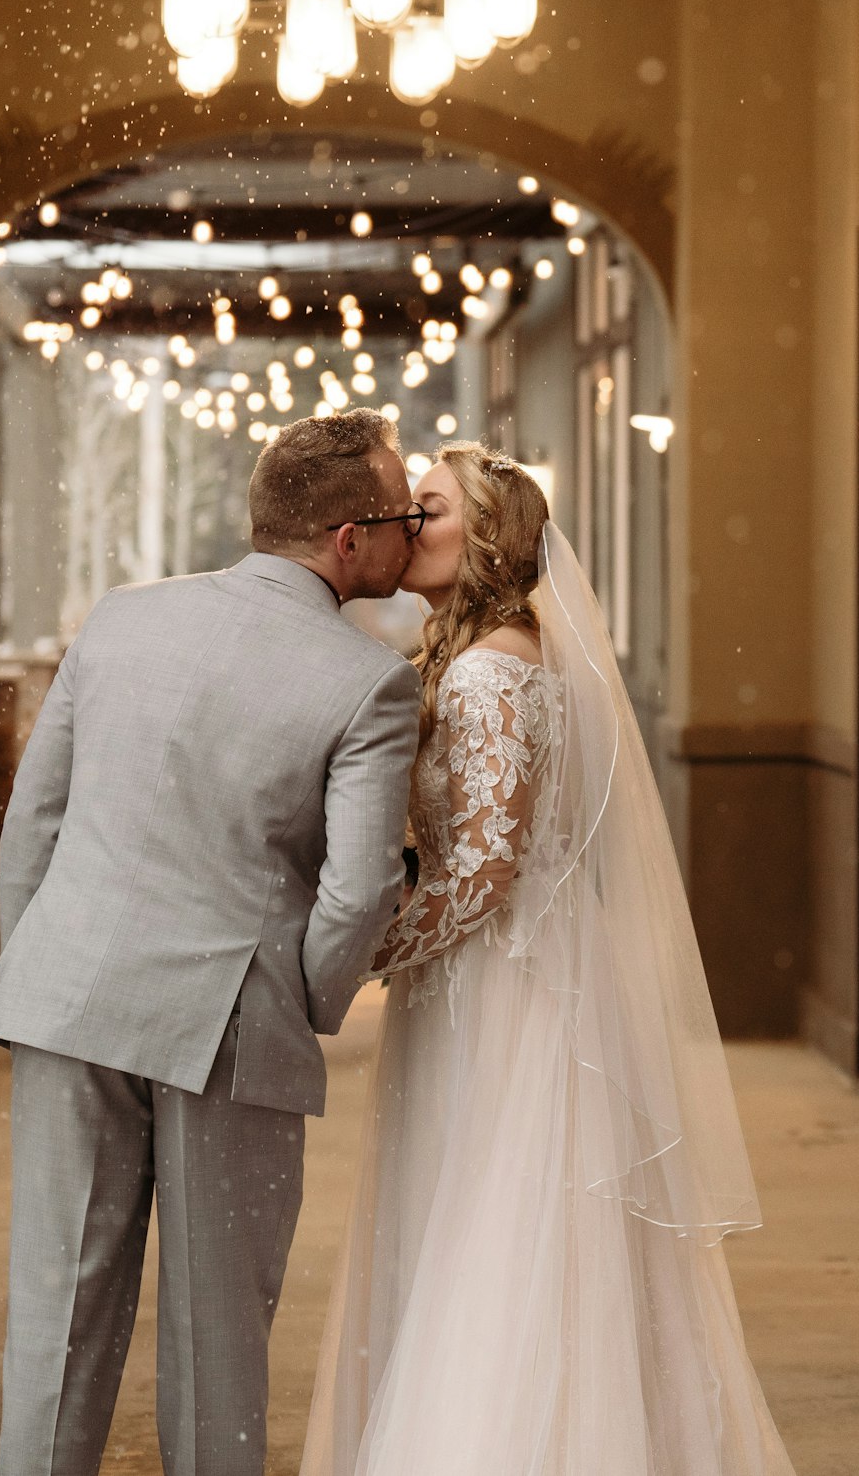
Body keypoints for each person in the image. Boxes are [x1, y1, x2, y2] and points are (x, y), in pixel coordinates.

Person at [300, 441, 799, 1476]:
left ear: (484, 537)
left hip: (507, 988)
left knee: (499, 1223)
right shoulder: (494, 654)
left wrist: (360, 957)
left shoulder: (489, 673)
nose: (405, 525)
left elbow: (485, 870)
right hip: (505, 974)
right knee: (496, 1222)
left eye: (426, 510)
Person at [0, 409, 423, 1476]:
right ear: (350, 540)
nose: (411, 535)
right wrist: (302, 1010)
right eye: (401, 516)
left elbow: (34, 818)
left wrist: (43, 968)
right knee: (216, 1335)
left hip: (69, 998)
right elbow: (356, 893)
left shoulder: (121, 620)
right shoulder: (368, 681)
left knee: (56, 1319)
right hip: (231, 1026)